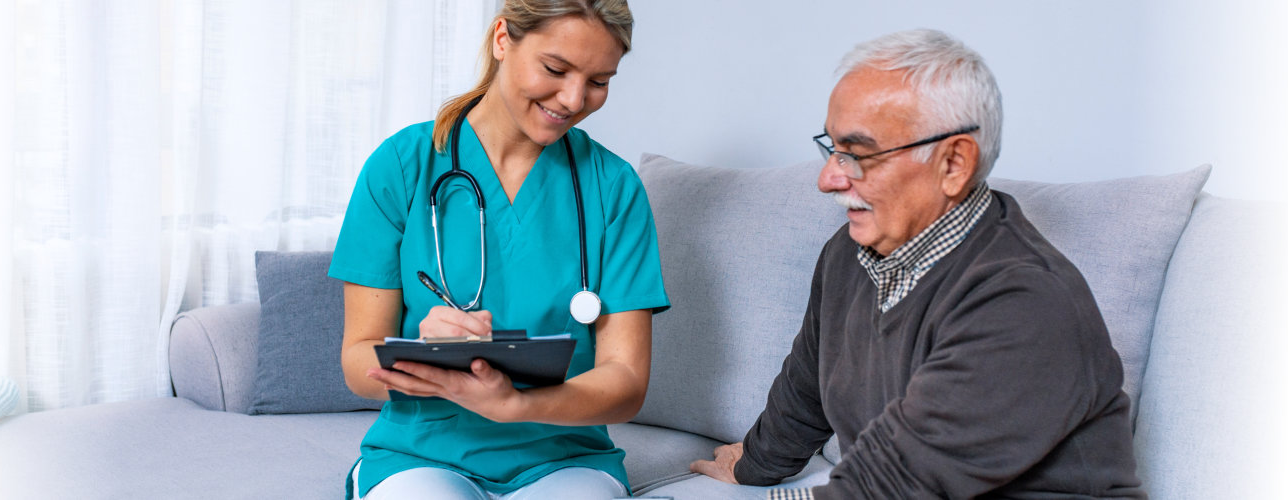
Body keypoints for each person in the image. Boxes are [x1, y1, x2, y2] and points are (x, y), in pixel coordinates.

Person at [688, 29, 1145, 499]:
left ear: (953, 164)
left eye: (858, 153)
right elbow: (807, 388)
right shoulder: (848, 255)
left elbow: (893, 486)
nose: (827, 180)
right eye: (833, 148)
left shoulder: (1025, 304)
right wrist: (753, 465)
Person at [327, 1, 666, 499]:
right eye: (556, 69)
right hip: (420, 455)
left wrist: (515, 406)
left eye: (599, 81)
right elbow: (358, 362)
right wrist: (424, 359)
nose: (573, 99)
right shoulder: (401, 167)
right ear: (503, 39)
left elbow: (627, 382)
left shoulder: (613, 188)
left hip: (565, 460)